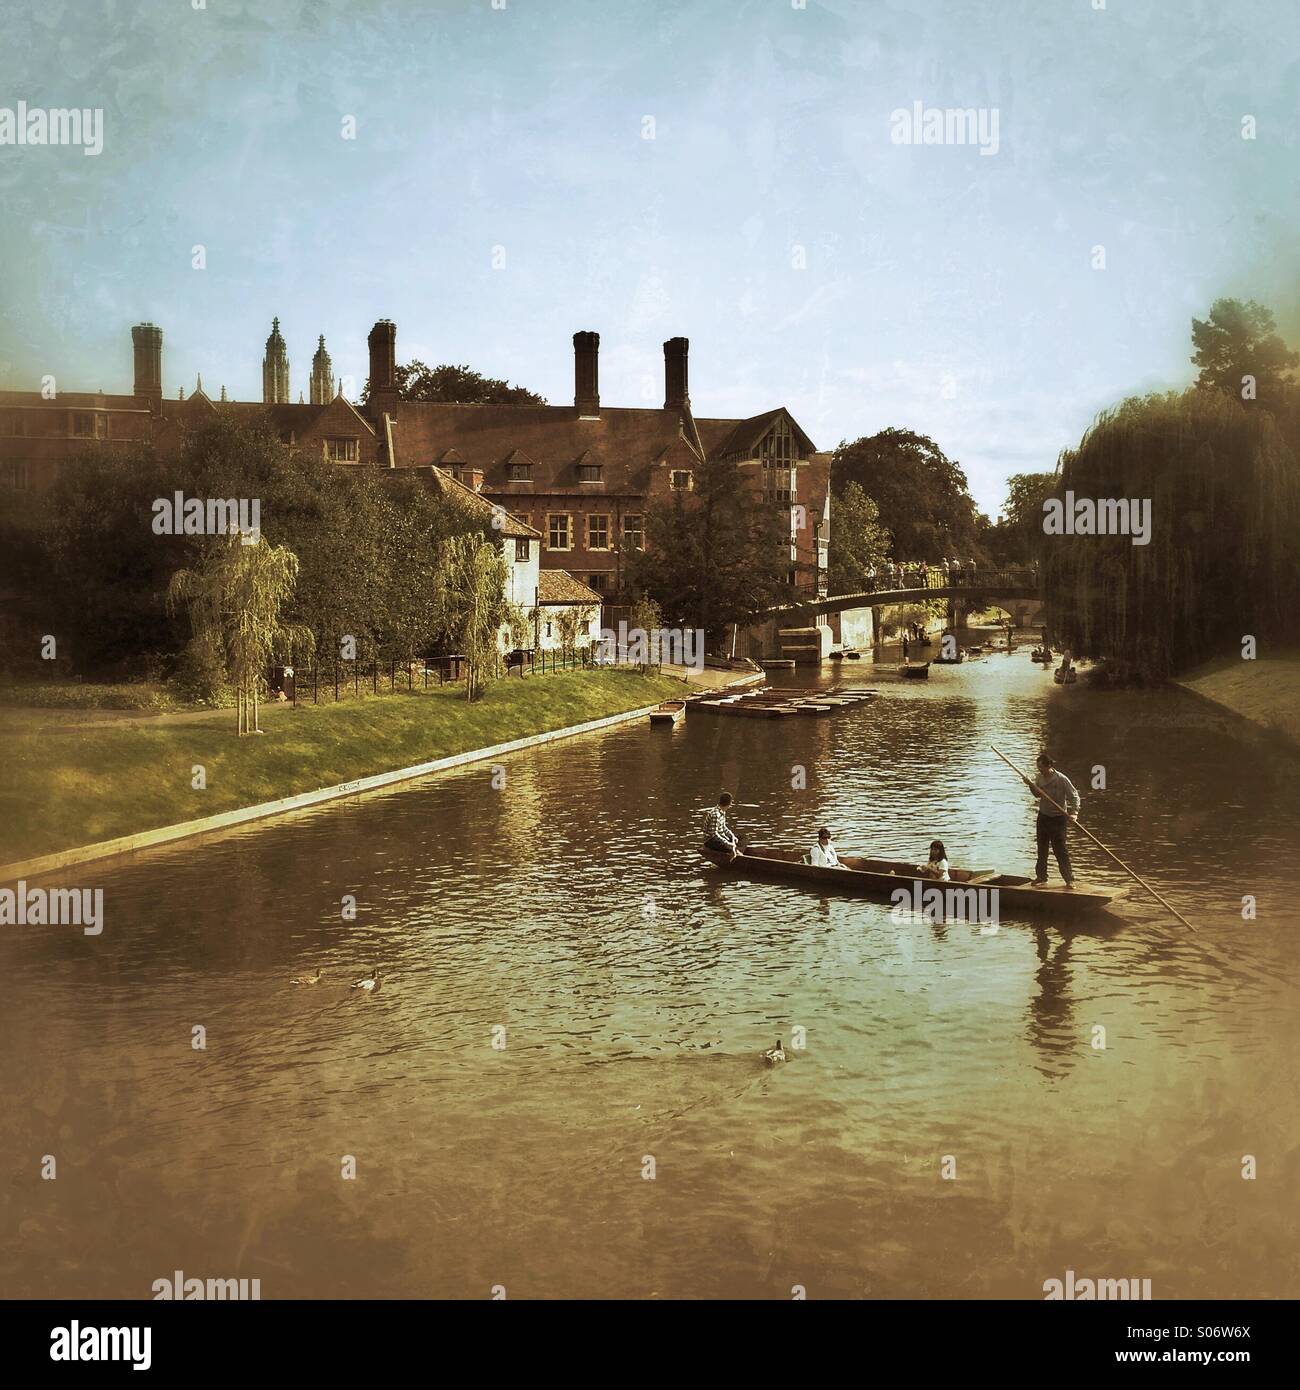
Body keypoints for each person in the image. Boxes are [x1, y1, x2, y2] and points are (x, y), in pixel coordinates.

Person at [1022, 753, 1080, 887]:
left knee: (1060, 850)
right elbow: (1037, 794)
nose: (1039, 770)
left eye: (1041, 767)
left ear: (1049, 766)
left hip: (1058, 819)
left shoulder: (1061, 779)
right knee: (1041, 849)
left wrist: (1074, 813)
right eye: (1038, 767)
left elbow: (1074, 796)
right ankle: (1041, 877)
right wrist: (1030, 785)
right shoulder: (1040, 778)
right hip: (1043, 817)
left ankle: (1069, 880)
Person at [703, 792, 740, 859]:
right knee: (730, 847)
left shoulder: (722, 812)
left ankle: (736, 851)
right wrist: (728, 843)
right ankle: (737, 853)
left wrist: (732, 836)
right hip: (711, 841)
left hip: (719, 838)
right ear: (729, 804)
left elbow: (724, 827)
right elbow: (714, 835)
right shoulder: (715, 814)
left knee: (743, 838)